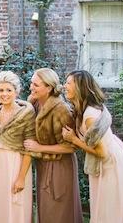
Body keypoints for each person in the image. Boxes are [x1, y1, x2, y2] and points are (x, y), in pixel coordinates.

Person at [62, 70, 123, 223]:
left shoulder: (90, 115)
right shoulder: (83, 110)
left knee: (110, 212)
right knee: (105, 210)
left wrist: (73, 139)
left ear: (79, 87)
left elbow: (102, 152)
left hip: (111, 165)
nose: (65, 86)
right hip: (107, 163)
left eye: (68, 83)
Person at [23, 68, 83, 223]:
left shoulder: (61, 110)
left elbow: (71, 146)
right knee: (45, 210)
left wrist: (39, 148)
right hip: (43, 165)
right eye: (31, 83)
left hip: (60, 167)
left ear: (49, 87)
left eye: (35, 85)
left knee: (58, 212)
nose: (31, 87)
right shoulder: (34, 103)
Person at [0, 71, 36, 223]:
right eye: (1, 90)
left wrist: (20, 178)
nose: (4, 94)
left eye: (8, 90)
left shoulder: (25, 113)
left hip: (16, 163)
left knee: (16, 204)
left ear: (16, 91)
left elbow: (29, 148)